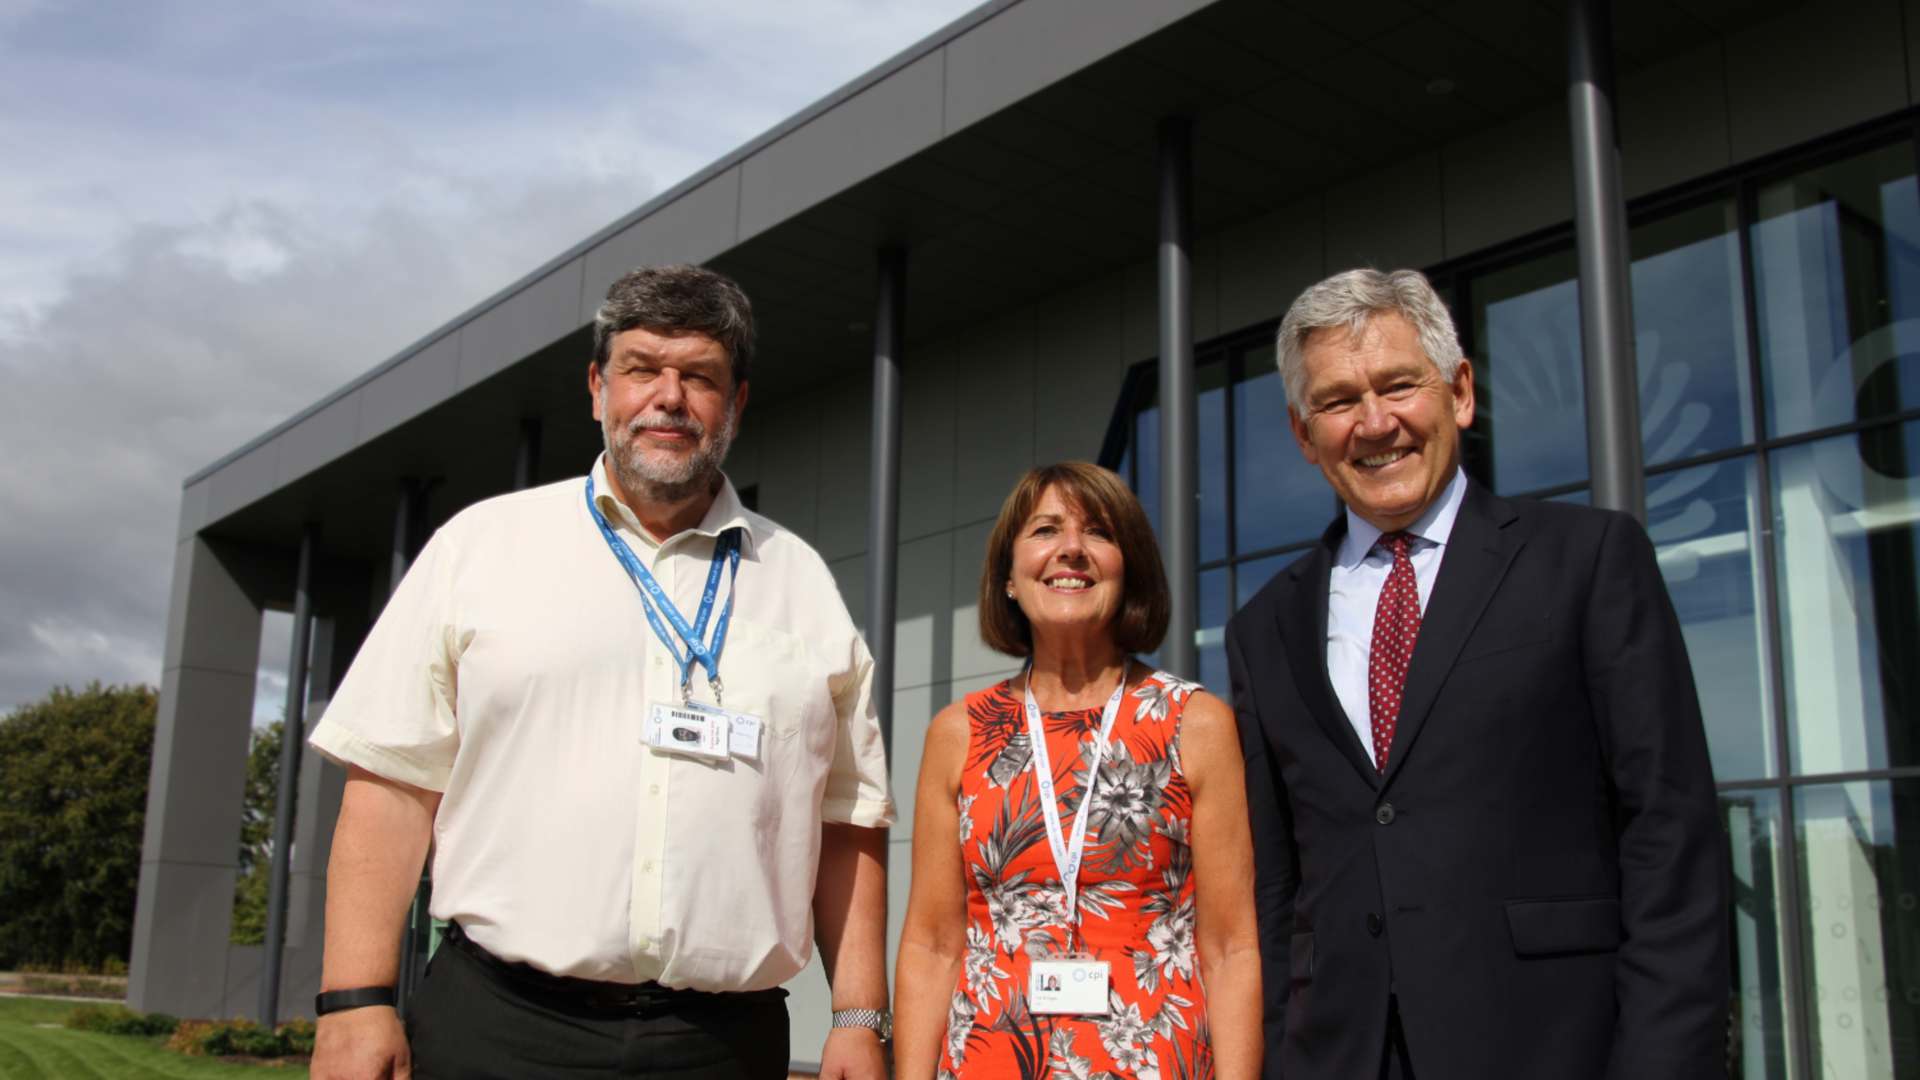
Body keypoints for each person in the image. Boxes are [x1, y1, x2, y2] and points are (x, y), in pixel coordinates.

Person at [306, 265, 895, 1080]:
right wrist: (354, 1001)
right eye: (642, 368)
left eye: (699, 376)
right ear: (596, 386)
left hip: (722, 1047)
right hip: (499, 1032)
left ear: (738, 402)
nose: (669, 397)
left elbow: (848, 820)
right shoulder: (481, 548)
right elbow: (392, 789)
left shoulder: (802, 585)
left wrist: (860, 1016)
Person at [1227, 268, 1729, 1080]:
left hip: (1554, 1046)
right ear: (1302, 432)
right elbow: (1277, 885)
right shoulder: (1263, 628)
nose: (1375, 422)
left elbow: (1669, 837)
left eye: (1398, 385)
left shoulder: (1589, 560)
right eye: (1339, 400)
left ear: (1458, 391)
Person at [894, 462, 1262, 1080]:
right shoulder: (958, 733)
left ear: (1129, 568)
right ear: (1009, 577)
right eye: (1045, 530)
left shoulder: (1195, 723)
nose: (1071, 549)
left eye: (1098, 532)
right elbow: (931, 944)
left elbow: (1230, 947)